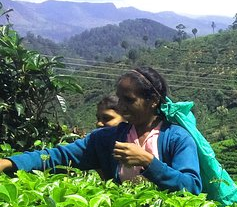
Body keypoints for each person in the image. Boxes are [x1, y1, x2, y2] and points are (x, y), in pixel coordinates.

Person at [0, 67, 202, 194]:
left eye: (129, 100)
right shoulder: (106, 138)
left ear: (153, 101)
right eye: (120, 98)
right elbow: (58, 156)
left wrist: (148, 162)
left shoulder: (177, 138)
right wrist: (10, 162)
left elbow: (191, 186)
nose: (121, 107)